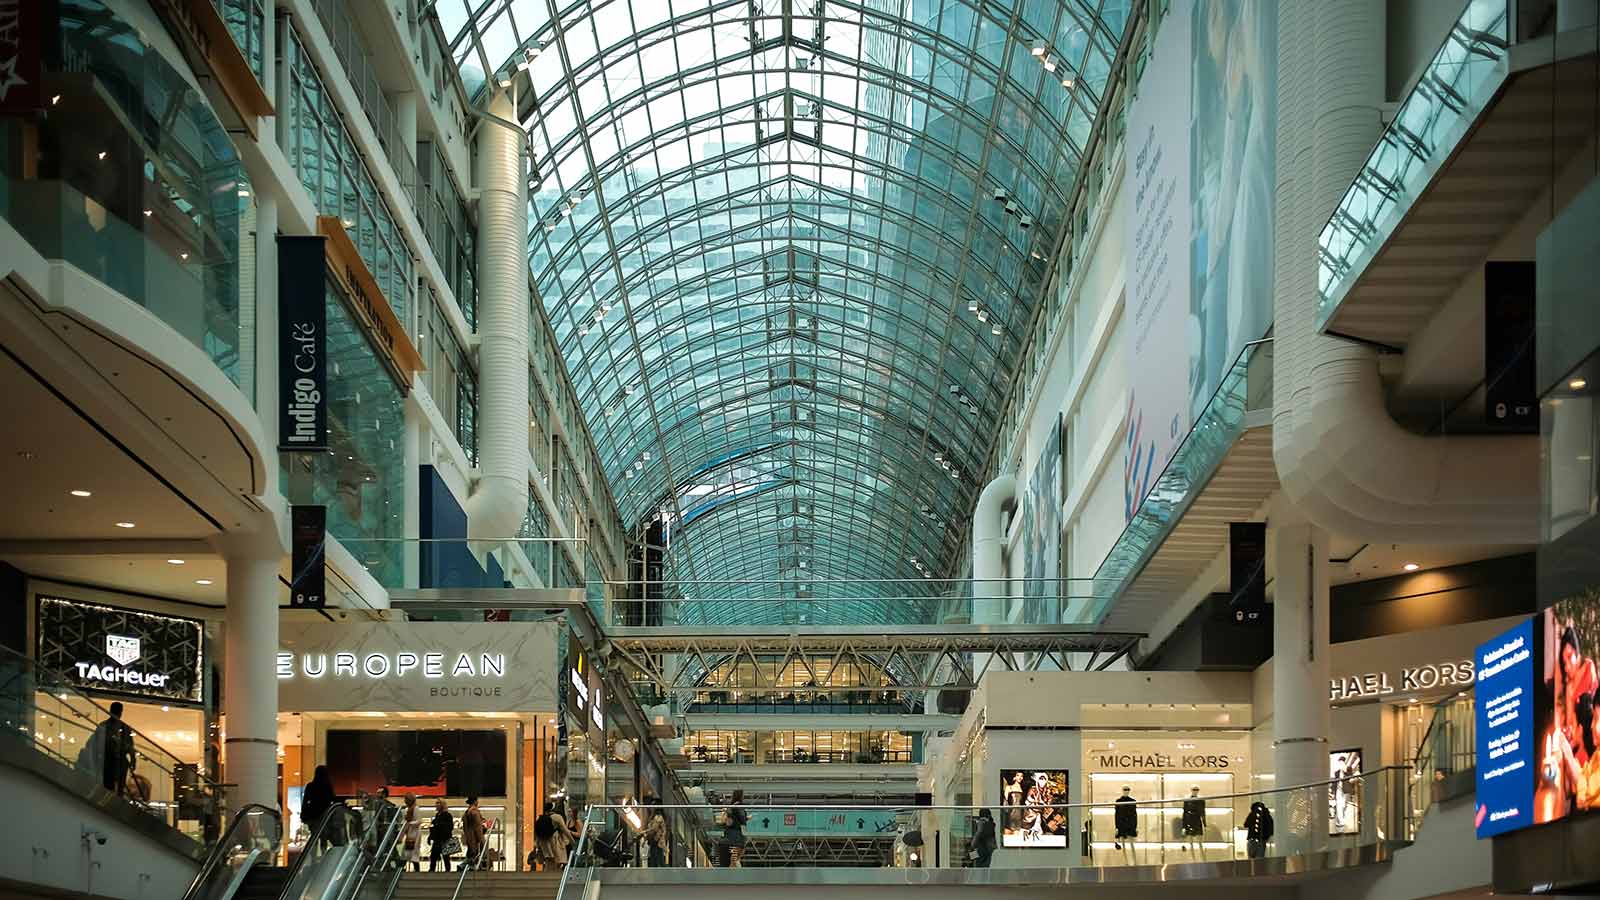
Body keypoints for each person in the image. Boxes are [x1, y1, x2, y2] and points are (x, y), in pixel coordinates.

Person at [534, 801, 573, 870]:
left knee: (548, 859)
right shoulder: (557, 817)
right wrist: (572, 840)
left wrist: (537, 843)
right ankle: (553, 874)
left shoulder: (540, 818)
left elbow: (537, 832)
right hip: (553, 840)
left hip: (543, 840)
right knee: (556, 859)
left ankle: (547, 873)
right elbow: (565, 830)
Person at [301, 766, 337, 841]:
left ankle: (312, 851)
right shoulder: (327, 787)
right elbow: (333, 799)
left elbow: (305, 801)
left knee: (314, 836)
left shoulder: (310, 786)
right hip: (325, 814)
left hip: (313, 814)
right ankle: (323, 850)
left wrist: (304, 813)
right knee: (323, 836)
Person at [720, 789, 748, 868]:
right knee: (735, 858)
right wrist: (745, 819)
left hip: (728, 836)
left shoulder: (730, 807)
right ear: (741, 796)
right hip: (736, 837)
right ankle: (734, 876)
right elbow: (742, 819)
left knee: (733, 859)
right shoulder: (739, 806)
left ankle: (731, 875)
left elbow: (727, 822)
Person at [1113, 785, 1138, 865]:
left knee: (1132, 844)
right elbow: (1117, 815)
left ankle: (1134, 861)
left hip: (1130, 825)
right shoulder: (1118, 801)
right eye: (1125, 789)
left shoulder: (1133, 801)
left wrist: (1135, 826)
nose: (1126, 791)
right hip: (1122, 825)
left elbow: (1134, 815)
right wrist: (1117, 827)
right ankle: (1126, 862)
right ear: (1122, 790)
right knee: (1123, 844)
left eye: (1128, 789)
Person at [429, 799, 455, 872]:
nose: (436, 805)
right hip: (437, 839)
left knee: (445, 857)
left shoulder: (447, 815)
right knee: (433, 856)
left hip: (444, 839)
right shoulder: (437, 815)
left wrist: (437, 825)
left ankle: (447, 871)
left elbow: (450, 827)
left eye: (438, 803)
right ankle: (432, 870)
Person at [461, 796, 486, 870]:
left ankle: (465, 865)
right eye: (477, 801)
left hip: (469, 835)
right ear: (475, 801)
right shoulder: (474, 812)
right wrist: (480, 837)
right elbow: (478, 825)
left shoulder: (467, 811)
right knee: (474, 852)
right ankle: (466, 866)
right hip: (474, 835)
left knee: (471, 852)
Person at [1181, 786, 1205, 858]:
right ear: (1191, 790)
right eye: (1194, 789)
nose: (1195, 791)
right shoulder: (1187, 800)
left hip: (1197, 820)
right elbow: (1184, 812)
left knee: (1200, 842)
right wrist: (1184, 826)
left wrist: (1204, 823)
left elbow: (1203, 812)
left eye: (1197, 789)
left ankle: (1202, 858)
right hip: (1189, 821)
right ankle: (1193, 858)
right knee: (1190, 842)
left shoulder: (1201, 800)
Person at [644, 797, 668, 868]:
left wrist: (643, 832)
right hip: (654, 842)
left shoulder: (658, 817)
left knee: (658, 862)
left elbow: (654, 828)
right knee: (654, 862)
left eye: (653, 805)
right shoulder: (654, 817)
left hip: (657, 843)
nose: (651, 807)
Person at [401, 793, 422, 871]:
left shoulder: (416, 809)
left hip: (415, 833)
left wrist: (409, 824)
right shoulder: (407, 809)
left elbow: (419, 821)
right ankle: (402, 868)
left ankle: (416, 870)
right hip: (410, 833)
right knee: (408, 852)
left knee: (413, 852)